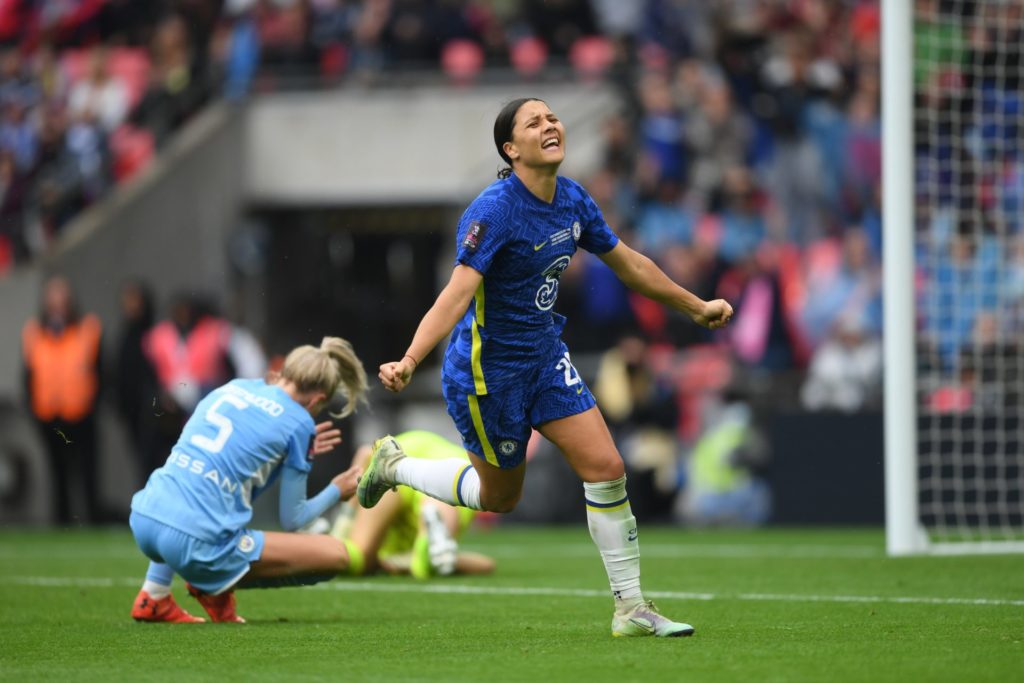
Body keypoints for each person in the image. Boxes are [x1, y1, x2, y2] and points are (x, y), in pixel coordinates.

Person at [363, 98, 734, 638]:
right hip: (488, 375)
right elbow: (456, 295)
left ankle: (631, 609)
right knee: (499, 498)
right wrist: (410, 358)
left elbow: (628, 263)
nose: (551, 125)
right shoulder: (493, 211)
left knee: (607, 467)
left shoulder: (573, 198)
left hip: (544, 357)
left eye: (552, 117)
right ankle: (395, 467)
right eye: (534, 122)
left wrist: (695, 306)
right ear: (511, 149)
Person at [128, 336, 369, 624]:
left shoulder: (233, 387)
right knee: (336, 555)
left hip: (146, 516)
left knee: (193, 488)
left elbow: (228, 475)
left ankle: (153, 594)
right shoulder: (300, 422)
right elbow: (293, 519)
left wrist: (283, 461)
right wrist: (336, 490)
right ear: (317, 400)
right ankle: (214, 585)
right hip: (197, 543)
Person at [329, 430, 495, 579]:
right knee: (425, 555)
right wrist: (344, 519)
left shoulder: (374, 548)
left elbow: (364, 454)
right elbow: (487, 564)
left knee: (358, 557)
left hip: (403, 460)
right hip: (412, 453)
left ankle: (435, 554)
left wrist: (344, 522)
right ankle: (437, 551)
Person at [22, 275, 103, 525]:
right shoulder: (35, 332)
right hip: (49, 414)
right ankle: (63, 521)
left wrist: (93, 404)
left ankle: (92, 521)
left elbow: (100, 370)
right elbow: (28, 375)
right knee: (57, 473)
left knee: (87, 472)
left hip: (80, 412)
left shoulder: (87, 328)